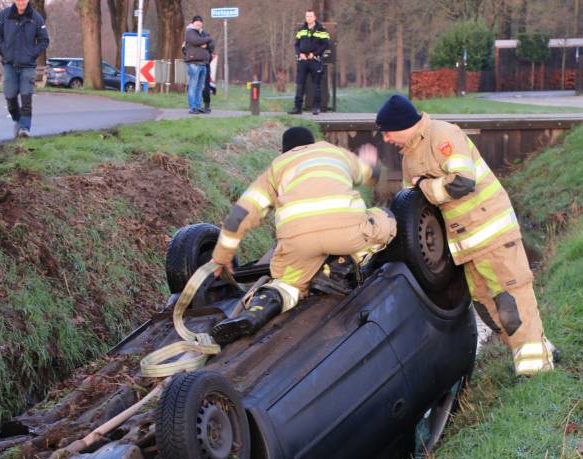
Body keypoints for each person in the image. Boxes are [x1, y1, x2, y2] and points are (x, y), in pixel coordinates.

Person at [375, 94, 557, 376]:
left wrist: (425, 186)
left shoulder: (443, 135)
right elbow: (414, 208)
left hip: (492, 234)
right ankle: (539, 347)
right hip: (465, 246)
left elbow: (462, 182)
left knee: (511, 299)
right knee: (488, 307)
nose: (385, 139)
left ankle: (536, 369)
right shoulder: (409, 157)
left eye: (387, 131)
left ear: (401, 125)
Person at [210, 126, 396, 344]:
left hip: (299, 241)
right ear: (313, 142)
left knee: (289, 285)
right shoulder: (333, 152)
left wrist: (221, 257)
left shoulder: (276, 168)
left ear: (284, 151)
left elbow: (238, 216)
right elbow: (371, 175)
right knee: (385, 220)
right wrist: (370, 161)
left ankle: (256, 311)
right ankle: (340, 265)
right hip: (345, 232)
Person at [0, 0, 49, 138]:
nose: (21, 1)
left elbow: (44, 40)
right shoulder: (4, 15)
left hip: (28, 65)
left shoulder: (36, 18)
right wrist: (3, 50)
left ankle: (25, 129)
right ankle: (18, 120)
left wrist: (32, 53)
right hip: (9, 63)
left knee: (26, 97)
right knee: (10, 98)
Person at [288, 10, 330, 116]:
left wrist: (314, 53)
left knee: (316, 85)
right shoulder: (301, 29)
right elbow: (296, 44)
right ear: (305, 17)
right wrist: (299, 54)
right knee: (300, 84)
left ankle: (316, 108)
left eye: (311, 16)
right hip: (303, 60)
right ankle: (297, 108)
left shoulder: (321, 30)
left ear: (314, 17)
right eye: (307, 16)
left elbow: (325, 44)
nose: (309, 18)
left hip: (315, 60)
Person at [184, 16, 214, 115]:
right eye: (197, 21)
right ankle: (192, 108)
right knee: (193, 86)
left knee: (199, 87)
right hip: (194, 63)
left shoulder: (203, 33)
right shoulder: (189, 31)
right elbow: (195, 41)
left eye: (200, 22)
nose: (199, 23)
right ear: (192, 23)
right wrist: (207, 40)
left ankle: (197, 106)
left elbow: (211, 45)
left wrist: (205, 42)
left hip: (203, 63)